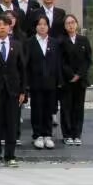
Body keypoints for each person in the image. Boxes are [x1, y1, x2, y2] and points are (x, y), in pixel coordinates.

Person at [0, 14, 27, 167]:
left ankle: (10, 156)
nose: (2, 27)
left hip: (13, 91)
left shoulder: (17, 45)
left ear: (10, 27)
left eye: (5, 24)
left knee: (12, 124)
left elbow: (22, 70)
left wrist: (23, 91)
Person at [25, 15, 62, 150]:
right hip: (35, 82)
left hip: (51, 81)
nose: (42, 27)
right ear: (35, 26)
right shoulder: (29, 42)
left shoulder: (54, 42)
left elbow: (58, 62)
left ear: (48, 26)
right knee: (37, 109)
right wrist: (26, 82)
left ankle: (47, 135)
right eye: (39, 24)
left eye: (45, 24)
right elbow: (26, 63)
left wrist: (59, 80)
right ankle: (37, 135)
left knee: (49, 109)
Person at [60, 14, 91, 146]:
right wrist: (71, 75)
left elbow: (88, 59)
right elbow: (61, 61)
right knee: (66, 107)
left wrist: (79, 74)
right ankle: (67, 135)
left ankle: (77, 134)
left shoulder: (84, 40)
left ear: (77, 24)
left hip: (81, 80)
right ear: (64, 26)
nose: (71, 25)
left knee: (78, 108)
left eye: (73, 22)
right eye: (68, 23)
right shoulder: (61, 41)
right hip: (67, 80)